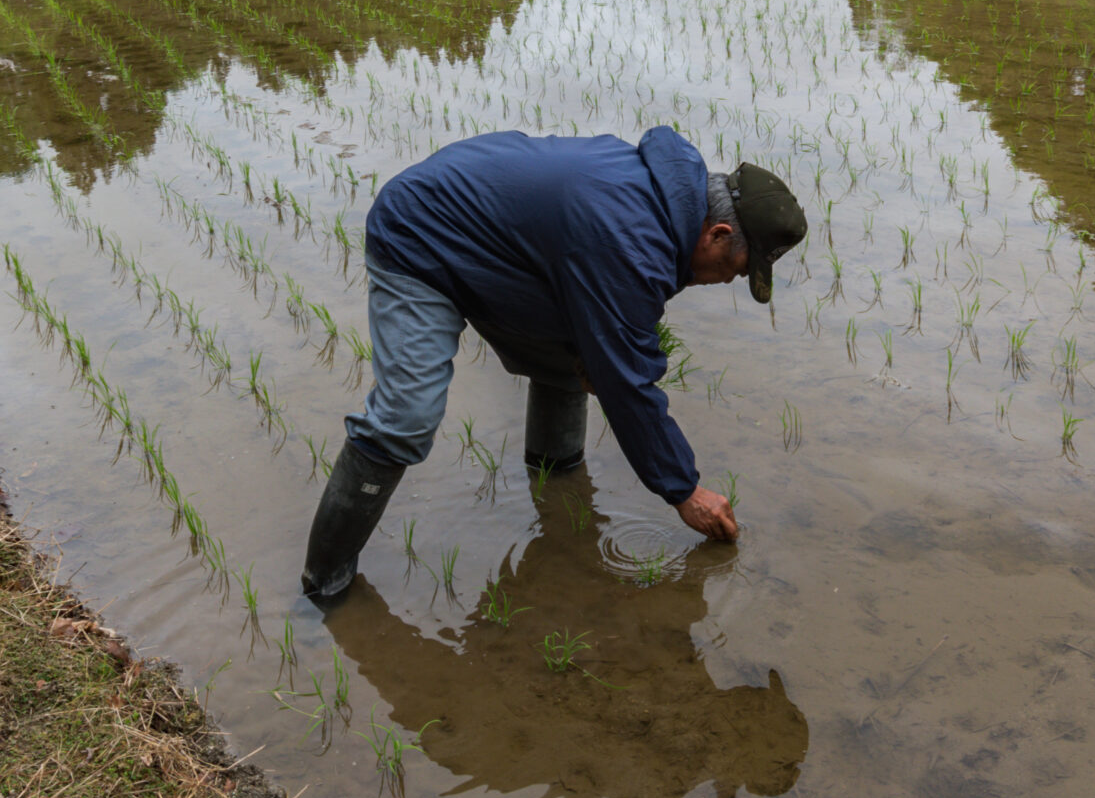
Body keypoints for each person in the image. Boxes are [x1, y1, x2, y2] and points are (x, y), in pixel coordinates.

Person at [300, 128, 805, 603]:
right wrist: (685, 491)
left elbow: (620, 333)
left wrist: (603, 356)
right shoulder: (629, 236)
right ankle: (324, 586)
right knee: (405, 419)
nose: (725, 282)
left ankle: (555, 486)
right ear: (717, 234)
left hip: (496, 244)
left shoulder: (670, 207)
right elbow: (629, 385)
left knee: (584, 350)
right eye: (734, 270)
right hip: (420, 234)